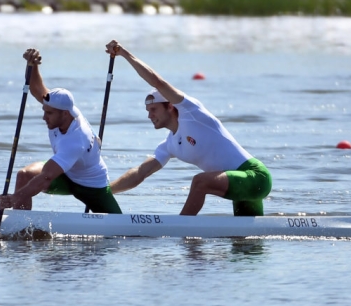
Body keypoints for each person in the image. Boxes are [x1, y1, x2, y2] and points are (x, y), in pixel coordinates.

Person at [105, 40, 272, 216]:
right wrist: (106, 191)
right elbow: (140, 173)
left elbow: (157, 82)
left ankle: (183, 231)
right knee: (245, 241)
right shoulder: (169, 144)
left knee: (199, 182)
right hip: (238, 185)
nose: (149, 116)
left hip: (255, 176)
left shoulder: (191, 112)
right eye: (148, 111)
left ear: (170, 106)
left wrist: (123, 53)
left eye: (153, 109)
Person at [0, 48, 122, 214]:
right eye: (44, 111)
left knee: (120, 227)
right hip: (64, 176)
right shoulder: (60, 107)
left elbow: (46, 177)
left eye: (48, 113)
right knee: (25, 174)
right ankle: (21, 228)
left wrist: (14, 197)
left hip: (91, 186)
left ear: (64, 114)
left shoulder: (76, 140)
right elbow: (37, 89)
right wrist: (33, 65)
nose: (44, 117)